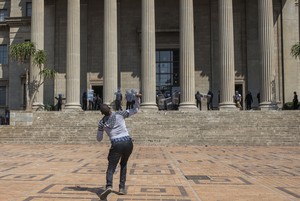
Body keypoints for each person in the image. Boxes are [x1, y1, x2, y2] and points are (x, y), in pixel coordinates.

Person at [96, 94, 140, 200]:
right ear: (110, 109)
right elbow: (136, 109)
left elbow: (99, 139)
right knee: (123, 164)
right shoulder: (120, 114)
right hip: (128, 142)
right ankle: (122, 188)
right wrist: (137, 98)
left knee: (111, 167)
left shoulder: (102, 122)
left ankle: (109, 186)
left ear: (102, 113)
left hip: (116, 144)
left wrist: (101, 129)